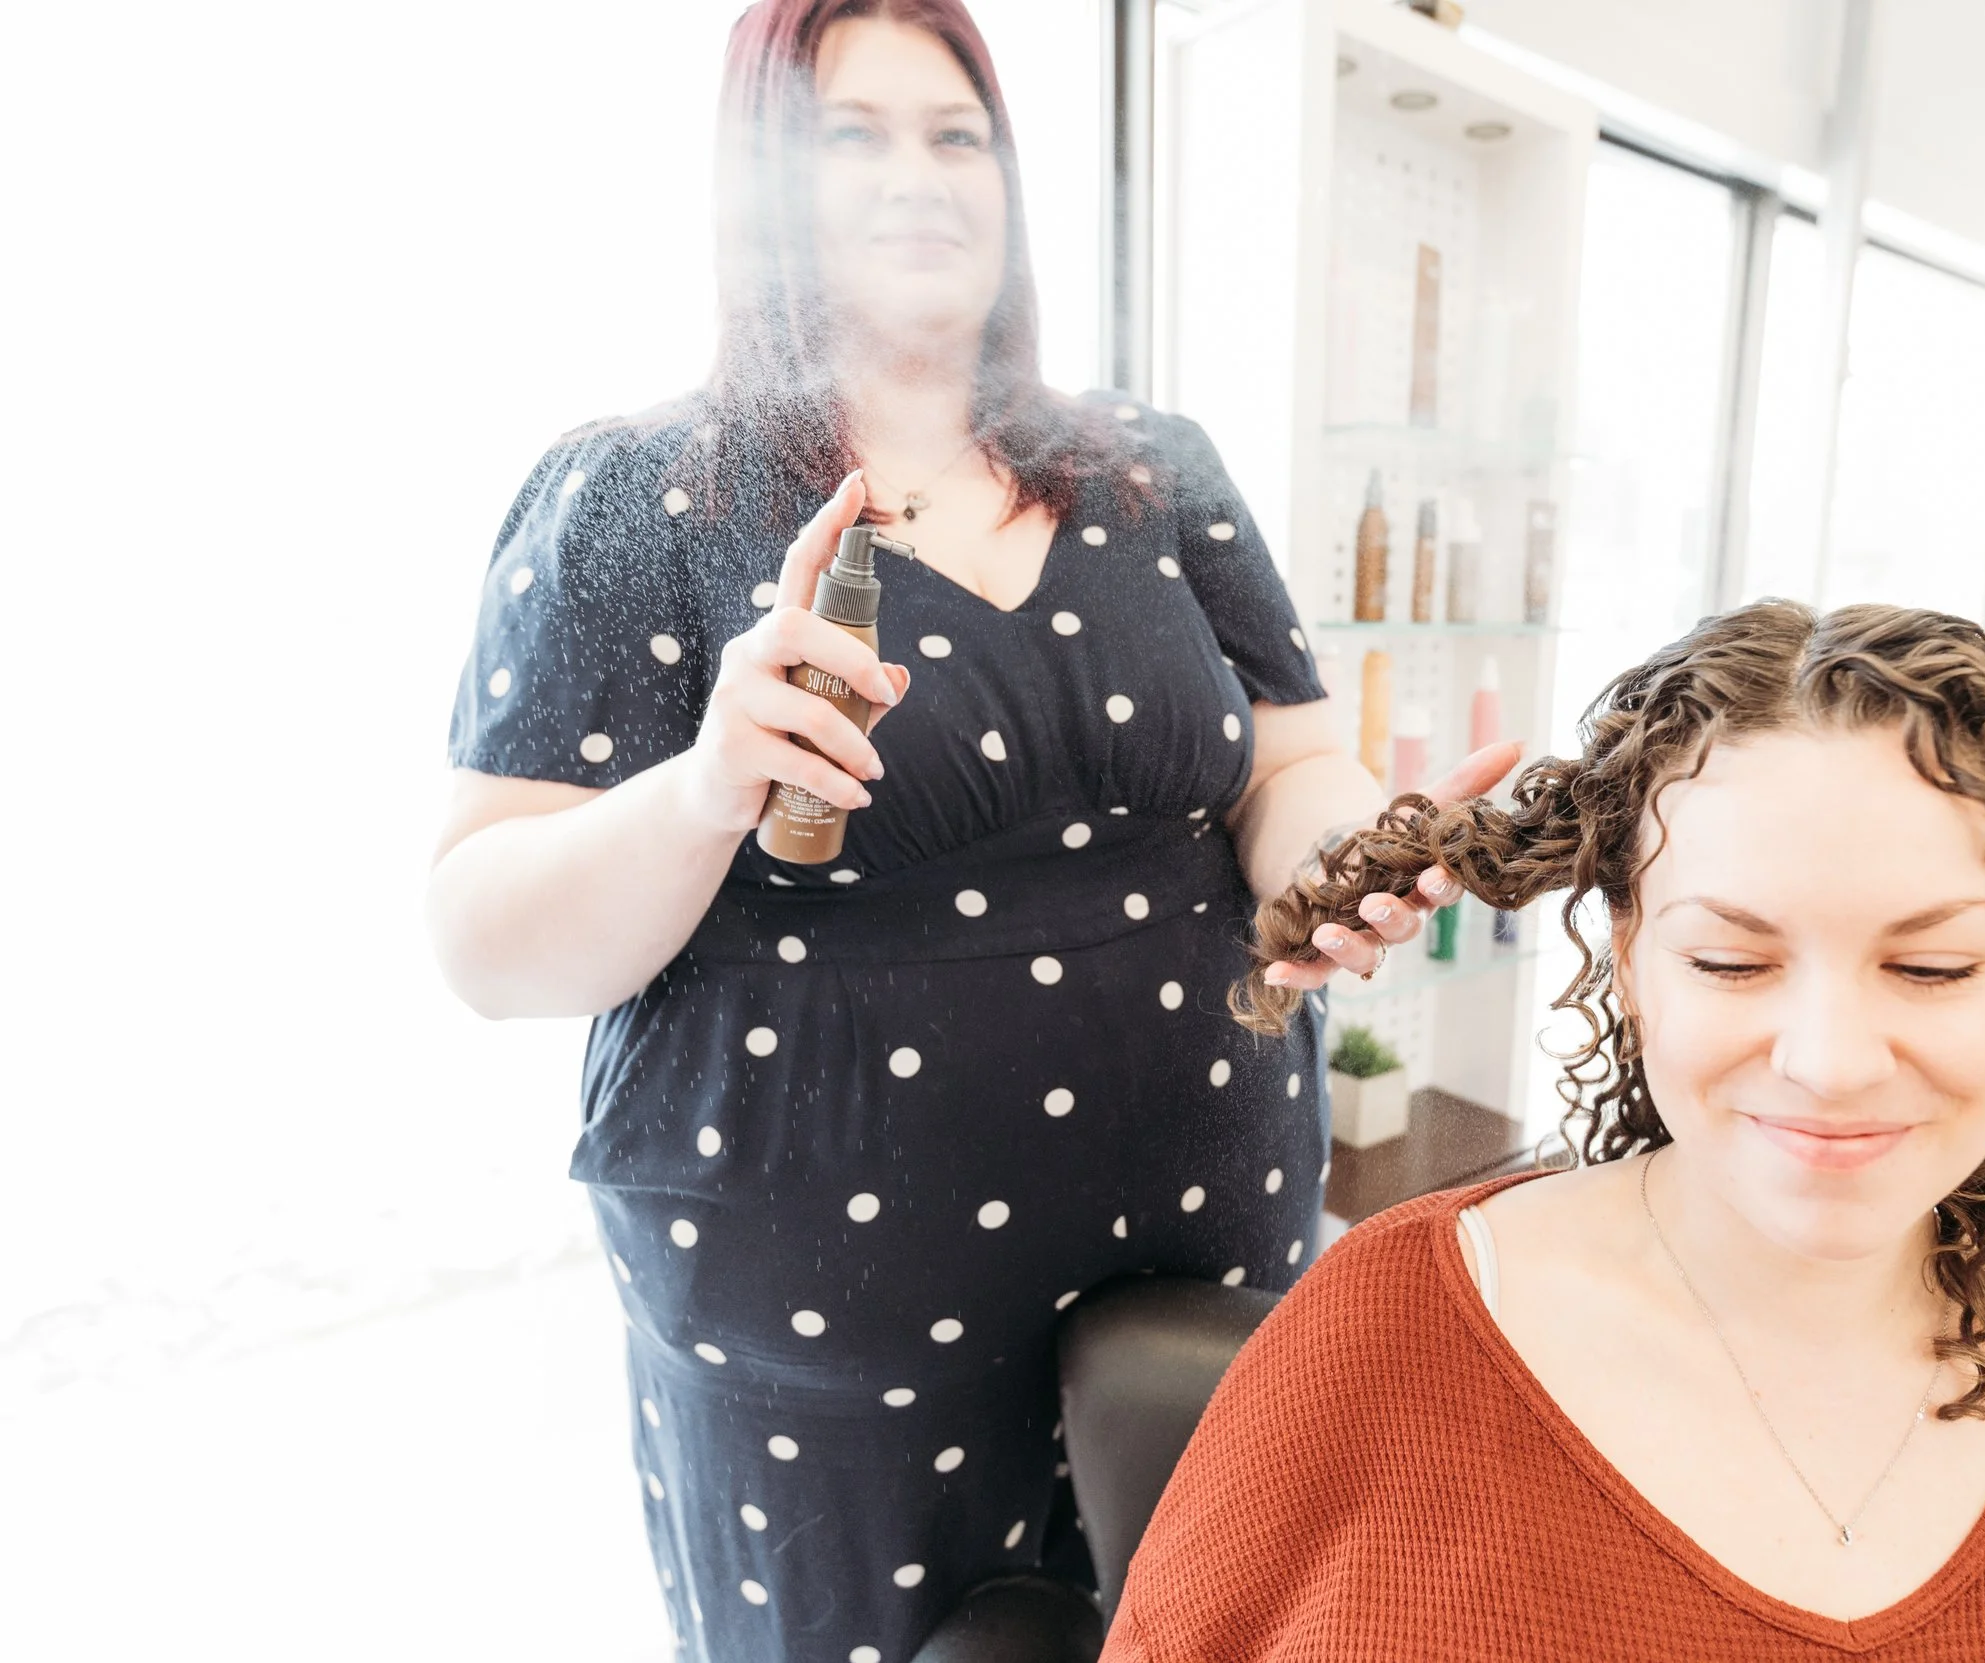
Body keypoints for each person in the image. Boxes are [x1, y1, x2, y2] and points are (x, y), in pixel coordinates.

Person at [426, 3, 1502, 1656]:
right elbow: (486, 939)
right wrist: (709, 784)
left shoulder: (1150, 471)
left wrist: (1346, 864)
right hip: (831, 1328)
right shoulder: (639, 497)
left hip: (1199, 1243)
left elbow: (1289, 765)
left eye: (957, 134)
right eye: (850, 135)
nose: (918, 176)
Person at [1109, 602, 1985, 1661]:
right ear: (1629, 960)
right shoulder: (1380, 1336)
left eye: (1931, 967)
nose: (1829, 1062)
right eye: (1731, 961)